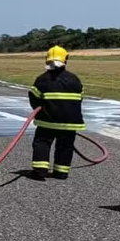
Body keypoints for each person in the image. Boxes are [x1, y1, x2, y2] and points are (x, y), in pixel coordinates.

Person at [28, 45, 85, 180]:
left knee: (42, 143)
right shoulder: (75, 79)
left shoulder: (42, 79)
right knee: (65, 146)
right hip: (70, 123)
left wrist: (40, 111)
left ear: (47, 60)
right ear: (66, 59)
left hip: (48, 121)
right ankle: (61, 172)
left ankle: (40, 171)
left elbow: (34, 98)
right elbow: (80, 98)